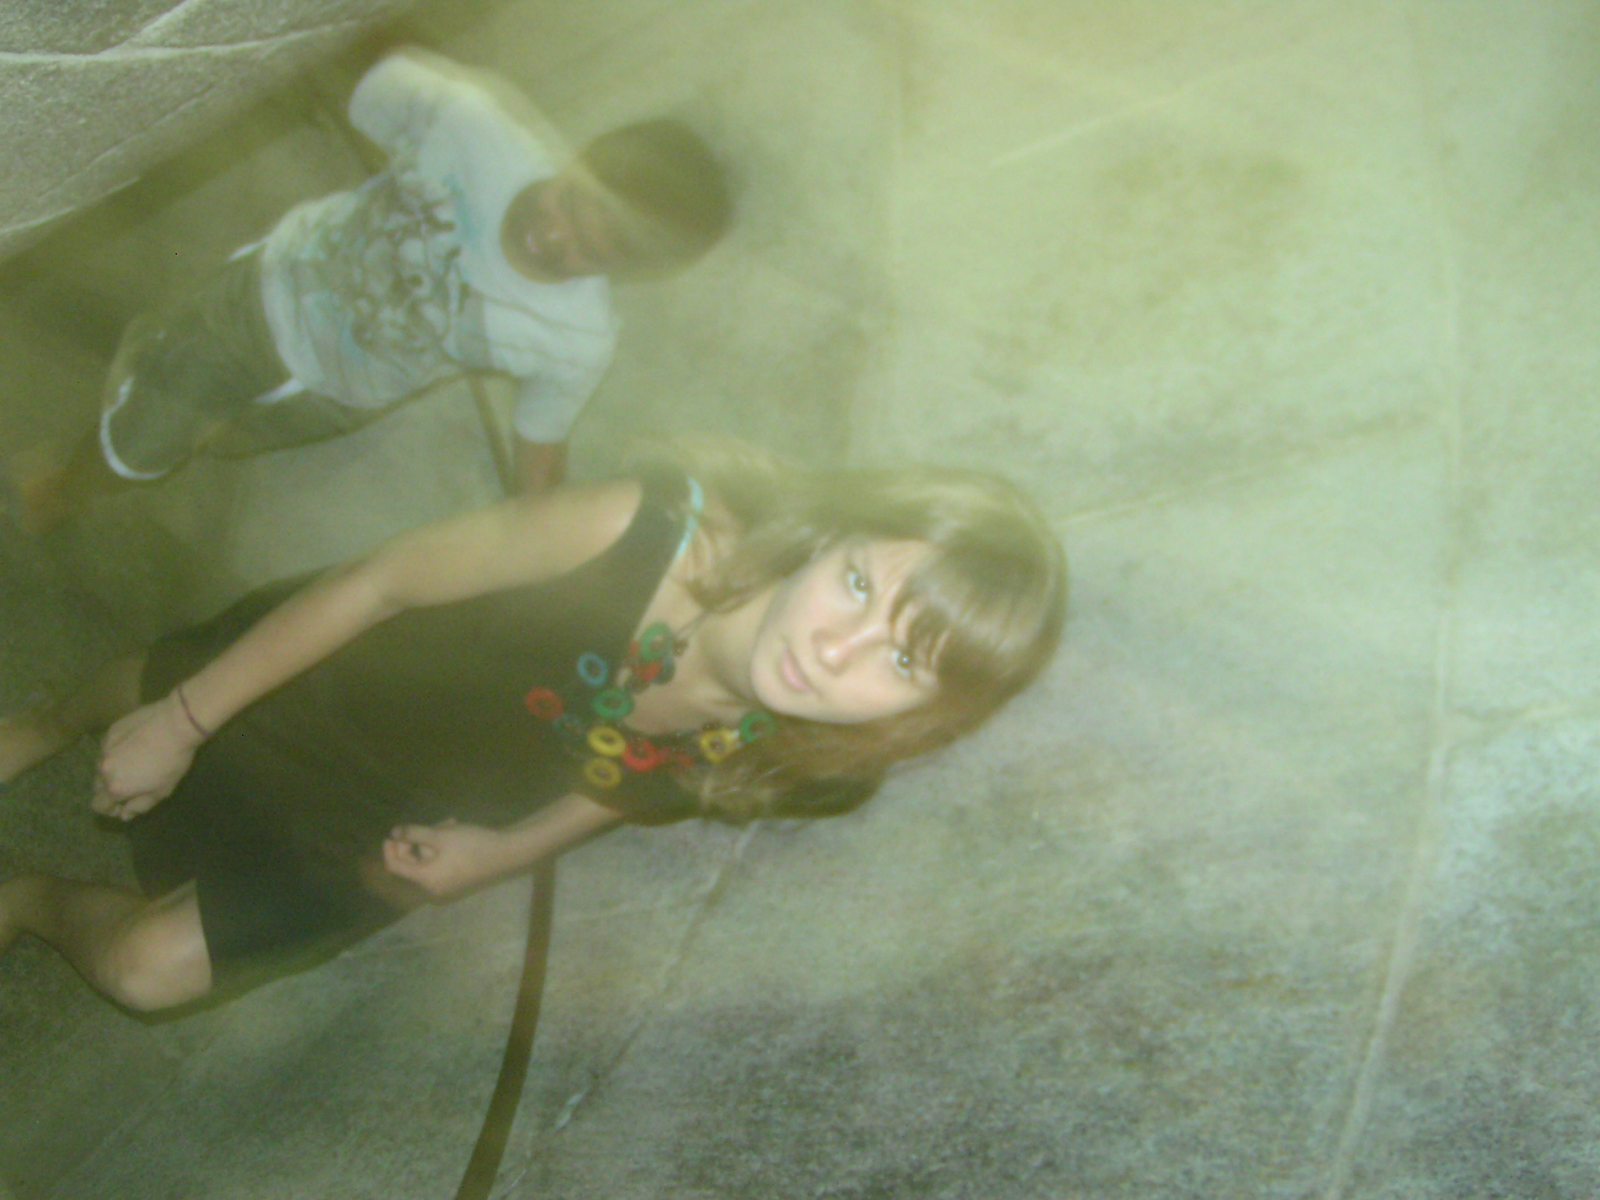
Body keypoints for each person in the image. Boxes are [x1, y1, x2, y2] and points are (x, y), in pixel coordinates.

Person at [0, 439, 1065, 1011]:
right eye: (857, 583)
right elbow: (379, 582)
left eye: (901, 663)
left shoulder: (821, 755)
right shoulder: (641, 529)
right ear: (833, 532)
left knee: (145, 973)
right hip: (338, 687)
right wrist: (187, 717)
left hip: (397, 818)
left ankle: (28, 899)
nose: (834, 651)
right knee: (146, 699)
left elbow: (645, 785)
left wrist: (504, 853)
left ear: (923, 717)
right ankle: (45, 721)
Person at [12, 48, 733, 530]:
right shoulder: (471, 123)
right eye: (571, 200)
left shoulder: (577, 341)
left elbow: (541, 444)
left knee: (211, 437)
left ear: (626, 270)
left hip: (336, 401)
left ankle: (156, 396)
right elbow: (347, 69)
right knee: (140, 445)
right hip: (264, 301)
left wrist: (544, 541)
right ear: (577, 157)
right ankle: (66, 484)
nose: (555, 235)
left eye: (591, 250)